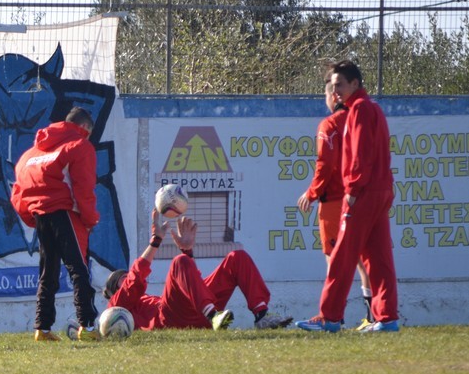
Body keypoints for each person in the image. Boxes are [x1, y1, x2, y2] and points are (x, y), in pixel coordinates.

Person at [297, 60, 400, 333]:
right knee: (379, 258)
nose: (336, 91)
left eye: (340, 85)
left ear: (355, 83)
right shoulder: (373, 108)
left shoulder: (359, 109)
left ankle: (329, 317)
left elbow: (359, 155)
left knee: (341, 256)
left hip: (363, 193)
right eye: (333, 86)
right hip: (381, 190)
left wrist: (352, 191)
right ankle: (387, 318)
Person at [103, 205, 292, 332]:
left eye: (126, 275)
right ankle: (212, 315)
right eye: (122, 278)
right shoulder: (115, 308)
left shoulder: (145, 300)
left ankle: (261, 315)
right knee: (179, 262)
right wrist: (156, 241)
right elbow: (135, 279)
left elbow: (193, 286)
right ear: (113, 291)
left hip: (194, 312)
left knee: (237, 257)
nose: (127, 277)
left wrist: (188, 251)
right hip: (170, 319)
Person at [11, 106, 101, 342]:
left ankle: (42, 328)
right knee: (78, 268)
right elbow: (84, 188)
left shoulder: (29, 156)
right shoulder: (80, 146)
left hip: (41, 215)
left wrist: (32, 217)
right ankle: (87, 326)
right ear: (84, 128)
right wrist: (90, 219)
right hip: (66, 213)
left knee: (48, 271)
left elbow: (18, 193)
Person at [296, 80, 374, 330]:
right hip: (362, 197)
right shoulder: (360, 120)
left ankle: (332, 317)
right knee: (363, 259)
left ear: (333, 96)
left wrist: (312, 193)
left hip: (334, 201)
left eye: (326, 94)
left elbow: (325, 164)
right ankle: (373, 317)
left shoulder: (329, 124)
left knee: (334, 259)